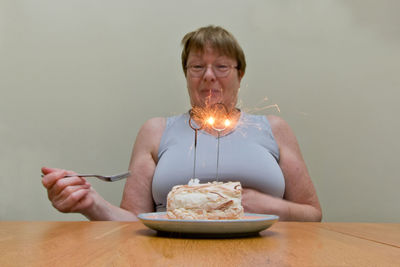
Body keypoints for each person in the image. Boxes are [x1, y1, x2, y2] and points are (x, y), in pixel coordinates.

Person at [41, 25, 322, 221]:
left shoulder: (273, 128)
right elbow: (130, 222)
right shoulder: (155, 131)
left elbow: (313, 215)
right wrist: (90, 204)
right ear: (186, 74)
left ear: (241, 74)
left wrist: (268, 206)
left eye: (222, 66)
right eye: (197, 66)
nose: (209, 76)